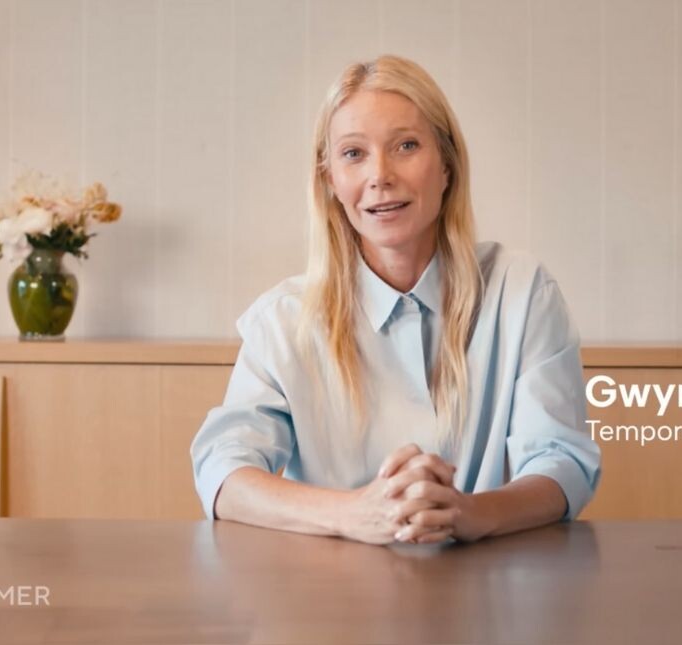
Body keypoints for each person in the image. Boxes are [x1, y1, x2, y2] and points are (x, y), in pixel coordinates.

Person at [191, 54, 600, 545]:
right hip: (331, 588)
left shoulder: (522, 291)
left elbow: (562, 463)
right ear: (330, 180)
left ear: (446, 166)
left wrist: (471, 512)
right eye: (353, 153)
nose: (380, 175)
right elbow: (223, 473)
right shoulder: (282, 321)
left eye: (406, 146)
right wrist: (354, 514)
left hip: (488, 584)